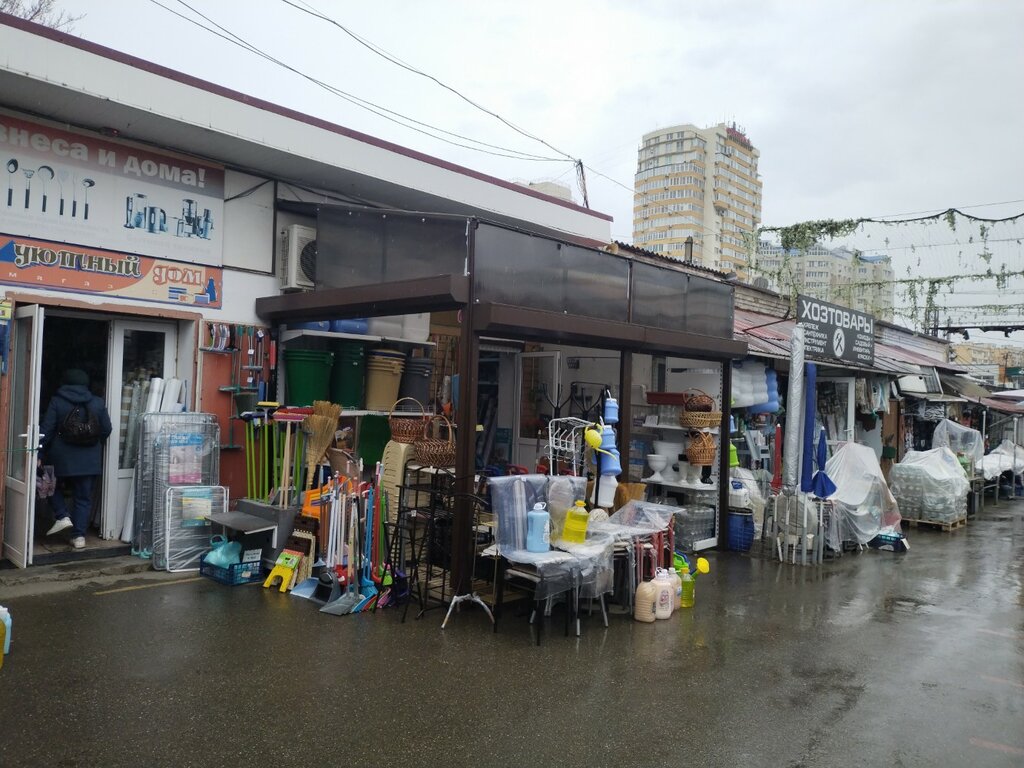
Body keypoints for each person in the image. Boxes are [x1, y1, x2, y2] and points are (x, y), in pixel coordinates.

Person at [40, 369, 112, 549]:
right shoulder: (97, 402)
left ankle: (62, 515)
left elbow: (46, 430)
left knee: (47, 483)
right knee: (83, 498)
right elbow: (106, 429)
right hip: (89, 460)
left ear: (65, 382)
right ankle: (79, 537)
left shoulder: (57, 401)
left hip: (60, 458)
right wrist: (93, 443)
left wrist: (39, 454)